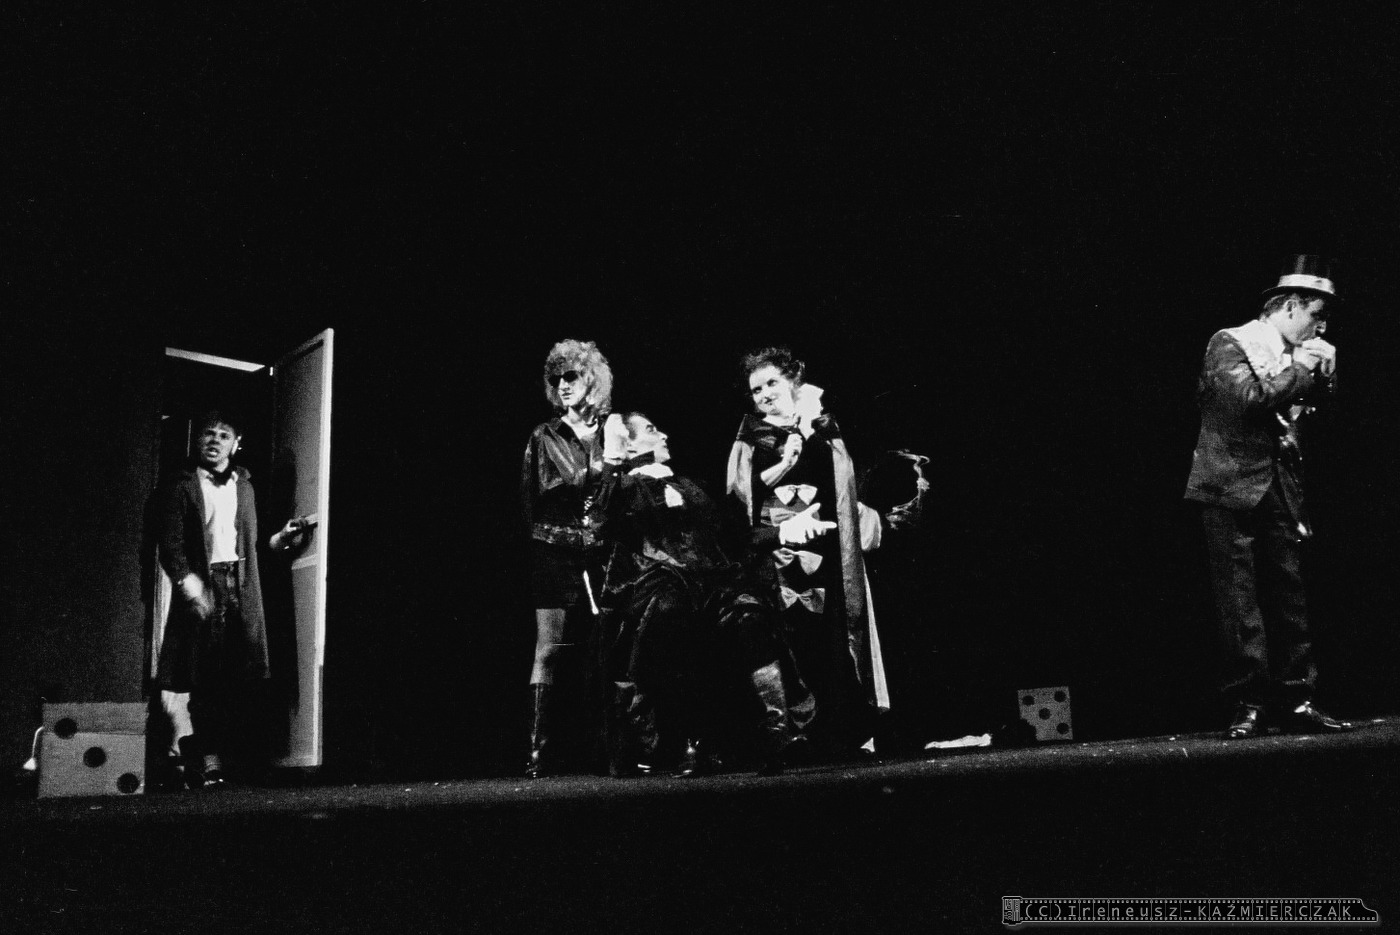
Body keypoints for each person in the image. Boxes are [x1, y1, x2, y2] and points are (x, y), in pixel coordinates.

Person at [594, 412, 826, 776]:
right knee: (673, 612)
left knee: (751, 615)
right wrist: (612, 456)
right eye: (652, 429)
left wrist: (784, 533)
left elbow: (734, 538)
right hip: (659, 584)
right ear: (630, 445)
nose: (664, 433)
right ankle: (688, 742)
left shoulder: (692, 485)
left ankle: (775, 735)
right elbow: (599, 522)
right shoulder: (624, 489)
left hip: (716, 583)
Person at [1184, 255, 1353, 739]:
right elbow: (1247, 403)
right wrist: (1301, 368)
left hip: (1279, 485)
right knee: (1240, 600)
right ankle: (1249, 702)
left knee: (1289, 597)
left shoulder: (1299, 355)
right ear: (1290, 306)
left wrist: (1325, 376)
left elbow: (1313, 418)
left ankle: (1297, 698)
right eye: (1316, 315)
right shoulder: (1231, 342)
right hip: (1231, 485)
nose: (1322, 327)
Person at [726, 347, 890, 760]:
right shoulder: (750, 440)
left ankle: (842, 736)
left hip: (825, 553)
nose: (764, 394)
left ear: (793, 382)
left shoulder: (822, 429)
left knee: (832, 642)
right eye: (756, 389)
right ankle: (793, 737)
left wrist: (810, 430)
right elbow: (741, 506)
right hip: (775, 559)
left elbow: (842, 489)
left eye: (771, 383)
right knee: (790, 647)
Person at [155, 411, 310, 788]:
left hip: (242, 584)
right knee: (204, 678)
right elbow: (171, 546)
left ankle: (228, 757)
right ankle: (209, 760)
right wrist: (190, 585)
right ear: (198, 440)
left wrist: (282, 540)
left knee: (241, 676)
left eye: (224, 435)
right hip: (205, 584)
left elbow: (255, 542)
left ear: (235, 444)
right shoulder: (181, 485)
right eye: (209, 433)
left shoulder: (245, 486)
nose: (215, 440)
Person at [520, 339, 614, 777]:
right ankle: (537, 751)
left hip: (604, 549)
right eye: (555, 378)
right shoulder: (544, 436)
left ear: (590, 378)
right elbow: (529, 502)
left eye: (570, 376)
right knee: (550, 648)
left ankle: (616, 746)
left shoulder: (614, 428)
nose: (562, 384)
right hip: (554, 548)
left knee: (611, 646)